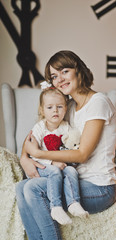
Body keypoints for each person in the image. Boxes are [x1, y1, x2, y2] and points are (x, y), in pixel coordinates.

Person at [16, 50, 116, 240]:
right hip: (74, 181)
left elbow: (82, 155)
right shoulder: (67, 106)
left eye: (64, 71)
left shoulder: (98, 103)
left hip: (99, 188)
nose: (60, 79)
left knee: (32, 189)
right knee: (20, 187)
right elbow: (37, 131)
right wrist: (24, 158)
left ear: (78, 70)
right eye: (54, 76)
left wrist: (39, 154)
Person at [29, 85, 88, 225]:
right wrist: (51, 163)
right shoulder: (39, 128)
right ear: (42, 111)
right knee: (55, 171)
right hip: (40, 166)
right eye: (49, 107)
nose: (55, 110)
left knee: (71, 170)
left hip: (61, 164)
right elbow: (33, 153)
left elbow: (72, 146)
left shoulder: (65, 127)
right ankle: (55, 207)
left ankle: (73, 203)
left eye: (59, 107)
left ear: (65, 109)